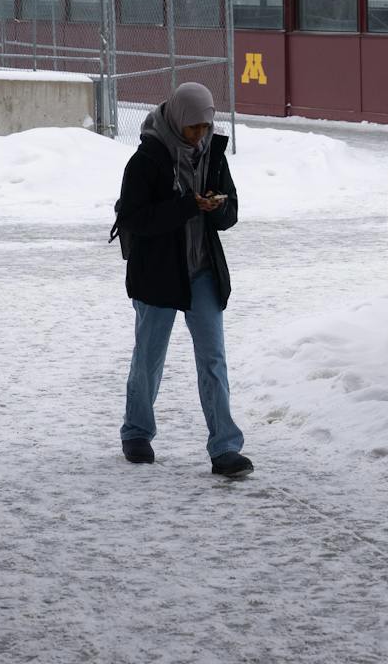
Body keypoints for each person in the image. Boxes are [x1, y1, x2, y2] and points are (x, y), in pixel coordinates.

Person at [111, 81, 251, 478]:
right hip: (158, 273)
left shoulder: (213, 154)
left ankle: (225, 447)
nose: (199, 135)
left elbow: (230, 213)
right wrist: (187, 206)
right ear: (177, 119)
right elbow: (134, 218)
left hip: (203, 270)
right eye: (193, 127)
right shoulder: (147, 158)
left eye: (205, 127)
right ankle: (137, 432)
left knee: (213, 359)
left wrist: (217, 208)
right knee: (149, 357)